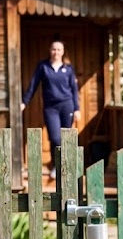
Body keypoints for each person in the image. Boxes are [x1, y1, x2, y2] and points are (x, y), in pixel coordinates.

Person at [21, 39, 81, 180]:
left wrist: (77, 109)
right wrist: (24, 102)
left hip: (67, 106)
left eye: (59, 49)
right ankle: (56, 165)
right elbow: (33, 85)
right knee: (55, 137)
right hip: (51, 107)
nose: (56, 52)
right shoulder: (43, 67)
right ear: (50, 51)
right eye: (54, 49)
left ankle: (67, 167)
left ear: (63, 52)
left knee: (67, 137)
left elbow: (74, 90)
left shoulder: (68, 68)